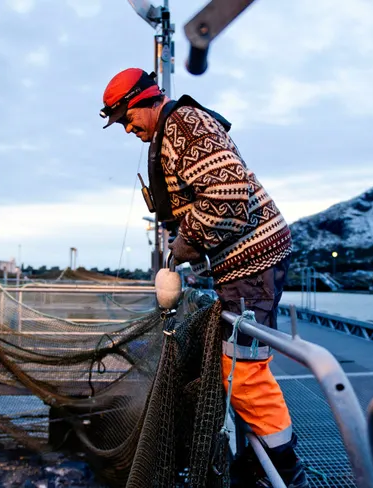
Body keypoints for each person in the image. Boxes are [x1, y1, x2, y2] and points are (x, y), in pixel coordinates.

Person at [100, 67, 307, 488]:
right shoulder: (176, 129)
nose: (126, 128)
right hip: (243, 266)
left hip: (253, 263)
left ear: (144, 101)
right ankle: (262, 453)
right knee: (242, 362)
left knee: (244, 369)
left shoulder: (183, 126)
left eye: (125, 118)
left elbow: (228, 197)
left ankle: (284, 470)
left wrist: (183, 247)